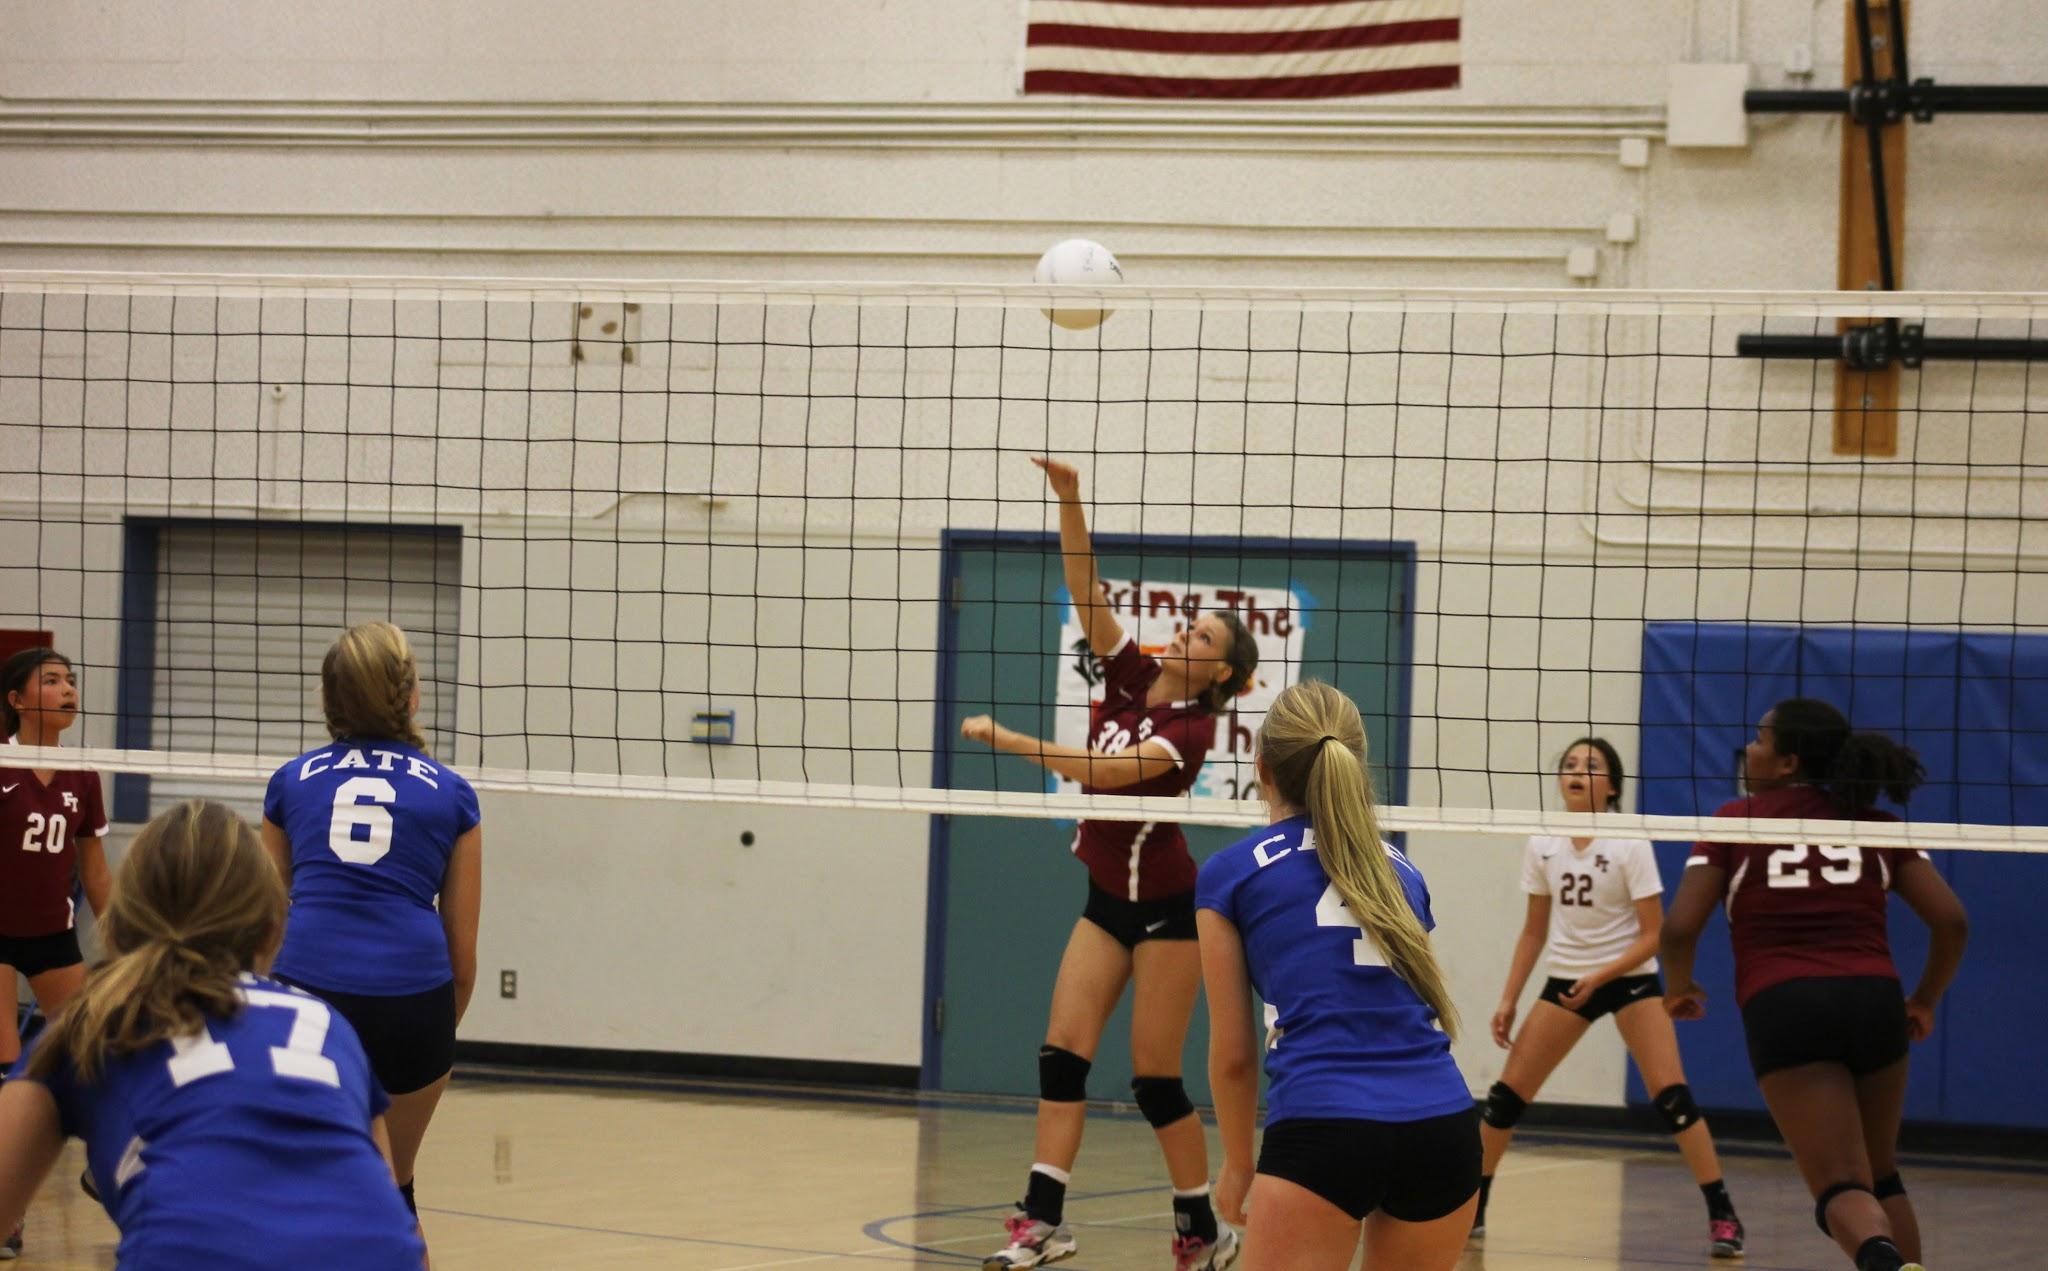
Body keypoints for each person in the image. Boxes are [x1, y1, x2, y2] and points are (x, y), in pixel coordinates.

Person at [960, 456, 1258, 1271]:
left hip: (1168, 909)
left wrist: (1013, 740)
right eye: (1190, 624)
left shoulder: (1192, 732)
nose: (1186, 632)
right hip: (1104, 896)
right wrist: (1070, 500)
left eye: (1203, 636)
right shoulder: (1130, 675)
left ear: (1221, 671)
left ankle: (1201, 1230)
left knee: (1154, 1078)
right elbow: (1084, 589)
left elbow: (1107, 773)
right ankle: (1041, 1223)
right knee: (1062, 1053)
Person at [0, 798, 425, 1268]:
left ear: (118, 925)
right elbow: (392, 1210)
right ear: (273, 930)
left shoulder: (95, 1023)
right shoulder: (327, 1025)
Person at [1662, 698, 1968, 1271]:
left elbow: (1679, 929)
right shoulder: (1877, 826)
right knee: (1881, 1175)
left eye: (1760, 739)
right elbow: (1951, 921)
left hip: (1787, 1005)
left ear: (1788, 762)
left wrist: (1679, 987)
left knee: (1841, 1187)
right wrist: (1925, 1000)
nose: (1749, 748)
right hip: (1874, 999)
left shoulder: (1736, 820)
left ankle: (1883, 1263)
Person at [1196, 679, 1476, 1271]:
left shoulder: (1231, 873)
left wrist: (1238, 1162)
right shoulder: (1402, 870)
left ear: (1262, 769)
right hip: (1443, 1126)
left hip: (1324, 1124)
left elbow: (1235, 1055)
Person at [260, 621, 482, 1258]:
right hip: (413, 1002)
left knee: (301, 1189)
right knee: (393, 1191)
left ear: (330, 699)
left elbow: (261, 920)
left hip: (306, 995)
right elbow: (462, 954)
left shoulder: (291, 781)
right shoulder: (452, 795)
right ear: (410, 695)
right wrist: (431, 1029)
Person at [1478, 738, 1743, 1255]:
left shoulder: (1629, 842)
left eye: (1592, 765)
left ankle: (1723, 1214)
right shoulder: (1543, 841)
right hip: (1567, 982)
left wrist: (1601, 977)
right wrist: (1509, 999)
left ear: (1613, 787)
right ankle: (1473, 1208)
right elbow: (1534, 930)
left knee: (1673, 1098)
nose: (1578, 771)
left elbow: (1654, 935)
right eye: (1570, 764)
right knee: (1504, 1099)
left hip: (1629, 980)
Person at [0, 647, 114, 1257]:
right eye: (51, 681)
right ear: (17, 701)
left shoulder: (83, 773)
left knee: (91, 1053)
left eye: (71, 680)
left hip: (53, 934)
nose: (68, 689)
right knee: (7, 1067)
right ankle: (8, 1212)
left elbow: (95, 873)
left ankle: (106, 1165)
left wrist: (126, 944)